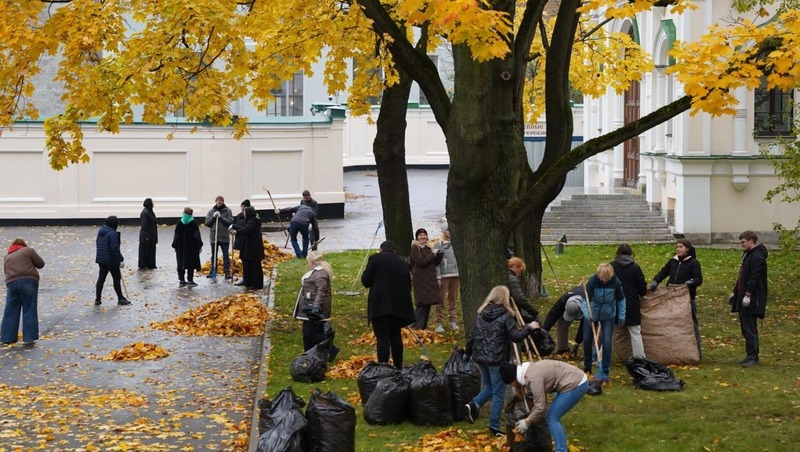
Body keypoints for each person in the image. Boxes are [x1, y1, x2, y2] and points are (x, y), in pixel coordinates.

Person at [463, 285, 539, 437]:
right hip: (496, 359)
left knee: (490, 386)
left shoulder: (481, 313)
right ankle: (494, 426)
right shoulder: (506, 316)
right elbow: (515, 337)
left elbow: (472, 336)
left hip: (480, 357)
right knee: (499, 392)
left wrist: (467, 353)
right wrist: (530, 327)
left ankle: (473, 405)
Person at [499, 360, 589, 452]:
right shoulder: (528, 370)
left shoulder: (532, 379)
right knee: (554, 416)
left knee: (552, 417)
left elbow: (541, 408)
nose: (512, 386)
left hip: (576, 383)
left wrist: (526, 422)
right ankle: (563, 447)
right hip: (573, 379)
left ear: (514, 379)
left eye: (511, 383)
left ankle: (561, 450)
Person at [361, 241, 415, 369]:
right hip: (398, 305)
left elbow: (366, 281)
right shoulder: (402, 263)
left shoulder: (375, 259)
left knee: (382, 337)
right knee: (396, 336)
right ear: (394, 250)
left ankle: (383, 367)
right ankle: (398, 367)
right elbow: (408, 286)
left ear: (381, 249)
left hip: (380, 304)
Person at [649, 238, 703, 356]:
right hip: (672, 298)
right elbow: (663, 272)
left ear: (687, 249)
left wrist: (691, 282)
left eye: (681, 247)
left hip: (687, 299)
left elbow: (699, 279)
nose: (678, 249)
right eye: (677, 247)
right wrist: (655, 281)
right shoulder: (673, 261)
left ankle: (696, 350)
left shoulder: (693, 263)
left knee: (691, 324)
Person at [730, 230, 768, 367]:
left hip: (753, 298)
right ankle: (750, 354)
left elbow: (754, 278)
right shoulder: (748, 255)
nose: (742, 245)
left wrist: (748, 294)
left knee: (750, 327)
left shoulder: (757, 257)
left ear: (751, 241)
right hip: (744, 295)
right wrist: (735, 291)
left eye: (743, 242)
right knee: (745, 327)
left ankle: (753, 356)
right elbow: (742, 276)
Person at [292, 251, 340, 361]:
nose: (307, 264)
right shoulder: (319, 272)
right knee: (310, 333)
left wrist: (316, 307)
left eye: (308, 262)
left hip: (313, 308)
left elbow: (321, 291)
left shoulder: (320, 274)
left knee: (310, 334)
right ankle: (311, 355)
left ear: (312, 262)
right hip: (311, 307)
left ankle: (330, 348)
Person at [582, 263, 626, 382]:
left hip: (608, 315)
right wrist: (587, 315)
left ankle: (605, 371)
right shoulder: (593, 281)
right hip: (592, 313)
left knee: (607, 342)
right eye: (602, 278)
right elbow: (585, 300)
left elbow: (621, 300)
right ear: (598, 275)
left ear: (611, 275)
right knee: (587, 340)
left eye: (607, 278)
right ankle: (587, 368)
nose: (604, 281)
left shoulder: (616, 282)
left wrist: (622, 315)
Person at [1, 239, 45, 346]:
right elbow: (40, 264)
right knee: (29, 309)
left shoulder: (7, 256)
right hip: (28, 282)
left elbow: (6, 271)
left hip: (12, 284)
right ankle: (29, 337)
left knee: (10, 311)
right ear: (23, 245)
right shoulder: (28, 250)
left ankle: (7, 338)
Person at [610, 243, 648, 358]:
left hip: (614, 303)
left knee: (609, 332)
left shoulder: (611, 267)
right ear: (631, 253)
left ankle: (602, 357)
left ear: (618, 253)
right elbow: (642, 287)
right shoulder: (635, 268)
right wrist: (641, 294)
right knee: (635, 332)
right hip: (631, 303)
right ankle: (639, 358)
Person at [410, 228, 444, 330]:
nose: (423, 237)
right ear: (417, 237)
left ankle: (422, 327)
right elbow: (421, 261)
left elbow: (433, 263)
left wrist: (439, 255)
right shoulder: (415, 248)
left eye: (424, 235)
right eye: (420, 235)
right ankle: (415, 327)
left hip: (429, 280)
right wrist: (433, 254)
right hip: (421, 280)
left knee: (427, 304)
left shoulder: (427, 247)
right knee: (422, 304)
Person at [95, 215, 130, 305]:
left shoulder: (101, 231)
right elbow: (115, 249)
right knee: (116, 278)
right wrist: (120, 259)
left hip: (101, 259)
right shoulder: (112, 234)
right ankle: (120, 298)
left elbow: (98, 243)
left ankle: (98, 299)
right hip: (111, 260)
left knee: (101, 278)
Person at [542, 285, 585, 355]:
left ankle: (592, 352)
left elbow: (584, 326)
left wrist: (577, 342)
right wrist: (544, 331)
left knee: (592, 329)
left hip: (590, 308)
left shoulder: (588, 305)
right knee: (561, 322)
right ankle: (563, 349)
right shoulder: (564, 300)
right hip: (575, 301)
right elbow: (553, 314)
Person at [434, 222, 460, 333]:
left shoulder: (457, 244)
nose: (449, 232)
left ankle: (453, 320)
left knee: (452, 299)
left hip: (455, 275)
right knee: (440, 299)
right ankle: (438, 323)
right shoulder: (438, 245)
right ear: (444, 231)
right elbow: (436, 263)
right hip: (444, 276)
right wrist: (438, 277)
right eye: (447, 230)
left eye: (450, 229)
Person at [231, 206, 264, 290]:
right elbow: (244, 228)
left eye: (245, 213)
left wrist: (237, 231)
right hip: (249, 248)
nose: (244, 214)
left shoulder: (253, 222)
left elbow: (246, 229)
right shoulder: (249, 220)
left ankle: (255, 284)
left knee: (254, 267)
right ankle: (249, 282)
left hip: (253, 249)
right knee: (249, 266)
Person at [172, 207, 203, 287]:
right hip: (191, 248)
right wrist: (199, 244)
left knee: (180, 263)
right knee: (190, 264)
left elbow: (176, 235)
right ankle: (190, 280)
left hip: (180, 247)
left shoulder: (180, 222)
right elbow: (196, 235)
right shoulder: (193, 223)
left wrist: (175, 245)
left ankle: (181, 280)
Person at [204, 196, 234, 279]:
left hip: (224, 236)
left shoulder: (228, 211)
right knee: (214, 255)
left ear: (223, 201)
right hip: (214, 236)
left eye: (221, 200)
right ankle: (213, 270)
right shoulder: (211, 211)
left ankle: (227, 272)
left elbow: (230, 221)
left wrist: (221, 217)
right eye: (218, 200)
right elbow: (207, 223)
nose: (219, 202)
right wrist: (213, 217)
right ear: (215, 201)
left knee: (225, 255)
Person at [231, 199, 250, 284]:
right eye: (241, 206)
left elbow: (244, 228)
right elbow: (235, 224)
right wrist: (232, 228)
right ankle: (245, 278)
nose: (242, 208)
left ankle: (247, 279)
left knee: (246, 261)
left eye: (244, 206)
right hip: (239, 240)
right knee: (243, 260)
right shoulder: (239, 216)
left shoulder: (248, 217)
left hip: (246, 241)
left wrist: (235, 226)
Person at [138, 198, 158, 270]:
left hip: (151, 234)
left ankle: (150, 264)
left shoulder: (149, 211)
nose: (153, 203)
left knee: (151, 249)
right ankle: (144, 264)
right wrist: (147, 235)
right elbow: (144, 225)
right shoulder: (145, 213)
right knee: (145, 250)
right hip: (147, 235)